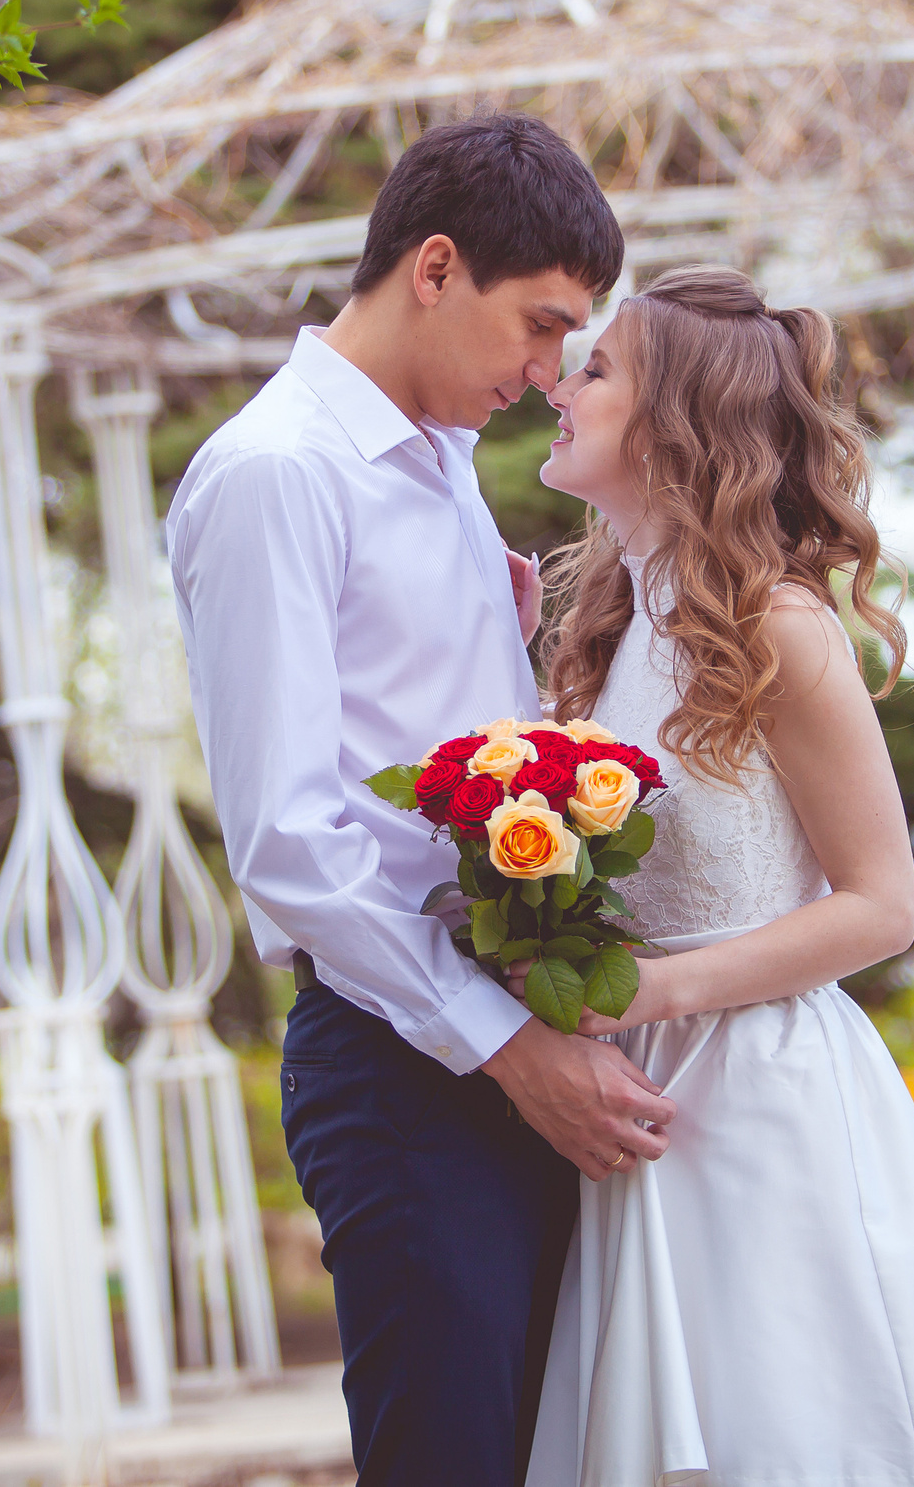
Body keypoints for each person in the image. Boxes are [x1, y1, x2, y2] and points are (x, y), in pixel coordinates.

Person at [166, 112, 676, 1487]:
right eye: (538, 326)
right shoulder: (278, 474)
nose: (547, 373)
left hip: (506, 1019)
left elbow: (421, 755)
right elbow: (288, 841)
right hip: (404, 1060)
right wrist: (512, 1044)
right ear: (434, 267)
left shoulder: (440, 456)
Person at [523, 265, 914, 1486]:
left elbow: (880, 905)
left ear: (673, 424)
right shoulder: (611, 624)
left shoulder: (777, 622)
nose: (558, 382)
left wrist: (649, 995)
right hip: (630, 1094)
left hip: (756, 1093)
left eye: (595, 368)